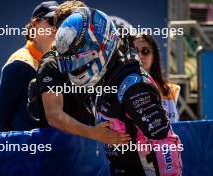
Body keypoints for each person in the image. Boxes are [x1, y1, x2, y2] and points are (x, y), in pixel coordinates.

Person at [54, 7, 183, 175]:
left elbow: (165, 142)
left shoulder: (133, 86)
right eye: (72, 64)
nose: (77, 69)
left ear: (103, 46)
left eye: (81, 61)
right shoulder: (107, 78)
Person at [34, 0, 131, 145]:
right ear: (59, 30)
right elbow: (54, 115)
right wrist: (93, 133)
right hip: (62, 154)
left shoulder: (100, 56)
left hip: (95, 152)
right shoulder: (51, 64)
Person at [0, 1, 58, 131]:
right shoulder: (20, 63)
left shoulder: (58, 61)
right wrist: (18, 148)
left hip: (53, 147)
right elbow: (2, 115)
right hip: (27, 148)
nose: (56, 27)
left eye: (60, 22)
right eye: (52, 21)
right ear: (35, 24)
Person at [133, 33, 180, 123]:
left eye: (145, 51)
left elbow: (175, 126)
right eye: (135, 52)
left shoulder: (170, 90)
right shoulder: (119, 89)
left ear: (154, 56)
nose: (139, 56)